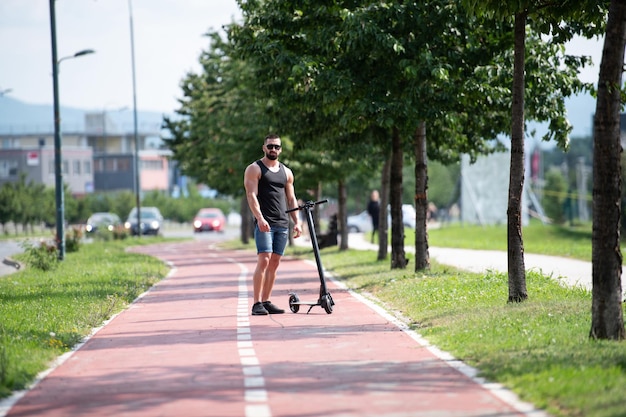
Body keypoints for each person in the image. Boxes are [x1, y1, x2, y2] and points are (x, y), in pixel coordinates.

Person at [244, 134, 303, 315]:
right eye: (270, 146)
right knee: (265, 259)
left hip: (282, 223)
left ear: (281, 149)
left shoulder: (287, 172)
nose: (273, 150)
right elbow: (251, 195)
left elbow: (291, 199)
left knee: (275, 262)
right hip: (265, 222)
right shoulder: (254, 169)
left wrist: (297, 222)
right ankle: (256, 303)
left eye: (277, 147)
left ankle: (266, 300)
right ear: (264, 147)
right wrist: (260, 218)